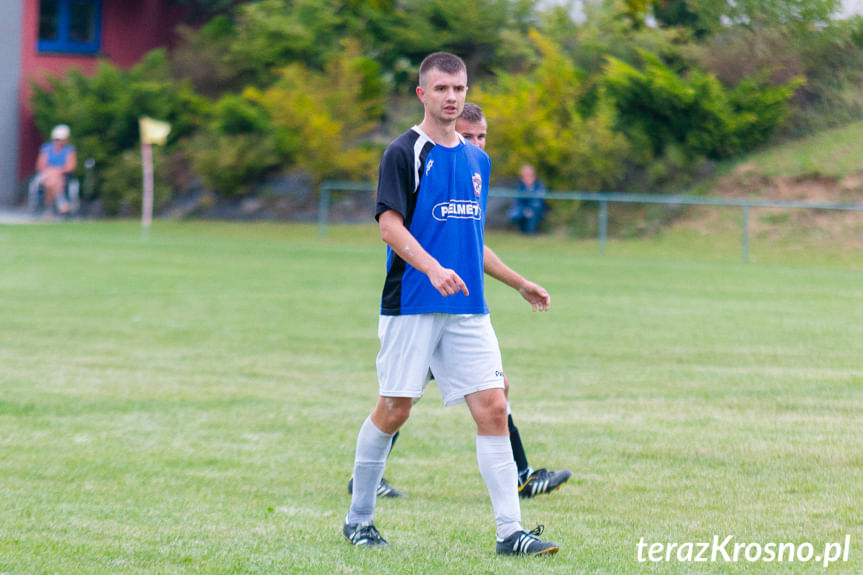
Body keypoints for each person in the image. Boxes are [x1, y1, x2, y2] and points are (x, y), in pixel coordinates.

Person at [342, 52, 558, 556]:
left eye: (458, 88)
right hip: (413, 302)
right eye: (441, 88)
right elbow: (389, 226)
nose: (451, 96)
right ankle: (359, 519)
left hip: (468, 308)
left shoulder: (477, 160)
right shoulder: (404, 152)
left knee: (494, 407)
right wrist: (432, 268)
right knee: (395, 409)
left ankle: (511, 532)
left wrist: (519, 282)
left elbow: (471, 239)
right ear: (423, 94)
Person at [35, 124, 77, 214]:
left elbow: (71, 166)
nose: (58, 142)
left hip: (62, 176)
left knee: (51, 180)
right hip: (47, 175)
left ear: (66, 139)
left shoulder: (69, 150)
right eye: (57, 139)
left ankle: (49, 208)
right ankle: (61, 203)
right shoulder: (46, 148)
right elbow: (40, 165)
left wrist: (57, 171)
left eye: (61, 139)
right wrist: (53, 171)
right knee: (52, 177)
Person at [508, 164, 546, 234]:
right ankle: (522, 231)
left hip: (535, 208)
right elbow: (517, 201)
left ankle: (530, 232)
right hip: (522, 208)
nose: (527, 176)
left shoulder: (539, 185)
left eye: (529, 174)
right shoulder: (519, 185)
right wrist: (525, 210)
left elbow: (539, 200)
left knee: (534, 211)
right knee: (514, 214)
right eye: (525, 174)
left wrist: (530, 209)